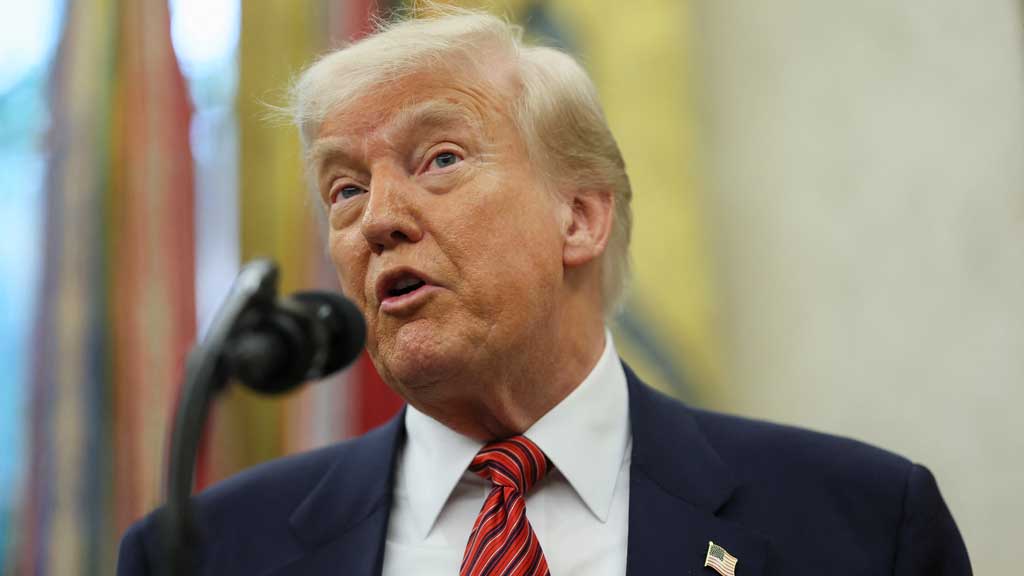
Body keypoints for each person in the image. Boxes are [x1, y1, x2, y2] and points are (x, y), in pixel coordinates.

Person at [118, 7, 971, 576]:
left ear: (579, 219)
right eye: (343, 188)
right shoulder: (204, 552)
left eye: (439, 160)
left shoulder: (860, 527)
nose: (378, 219)